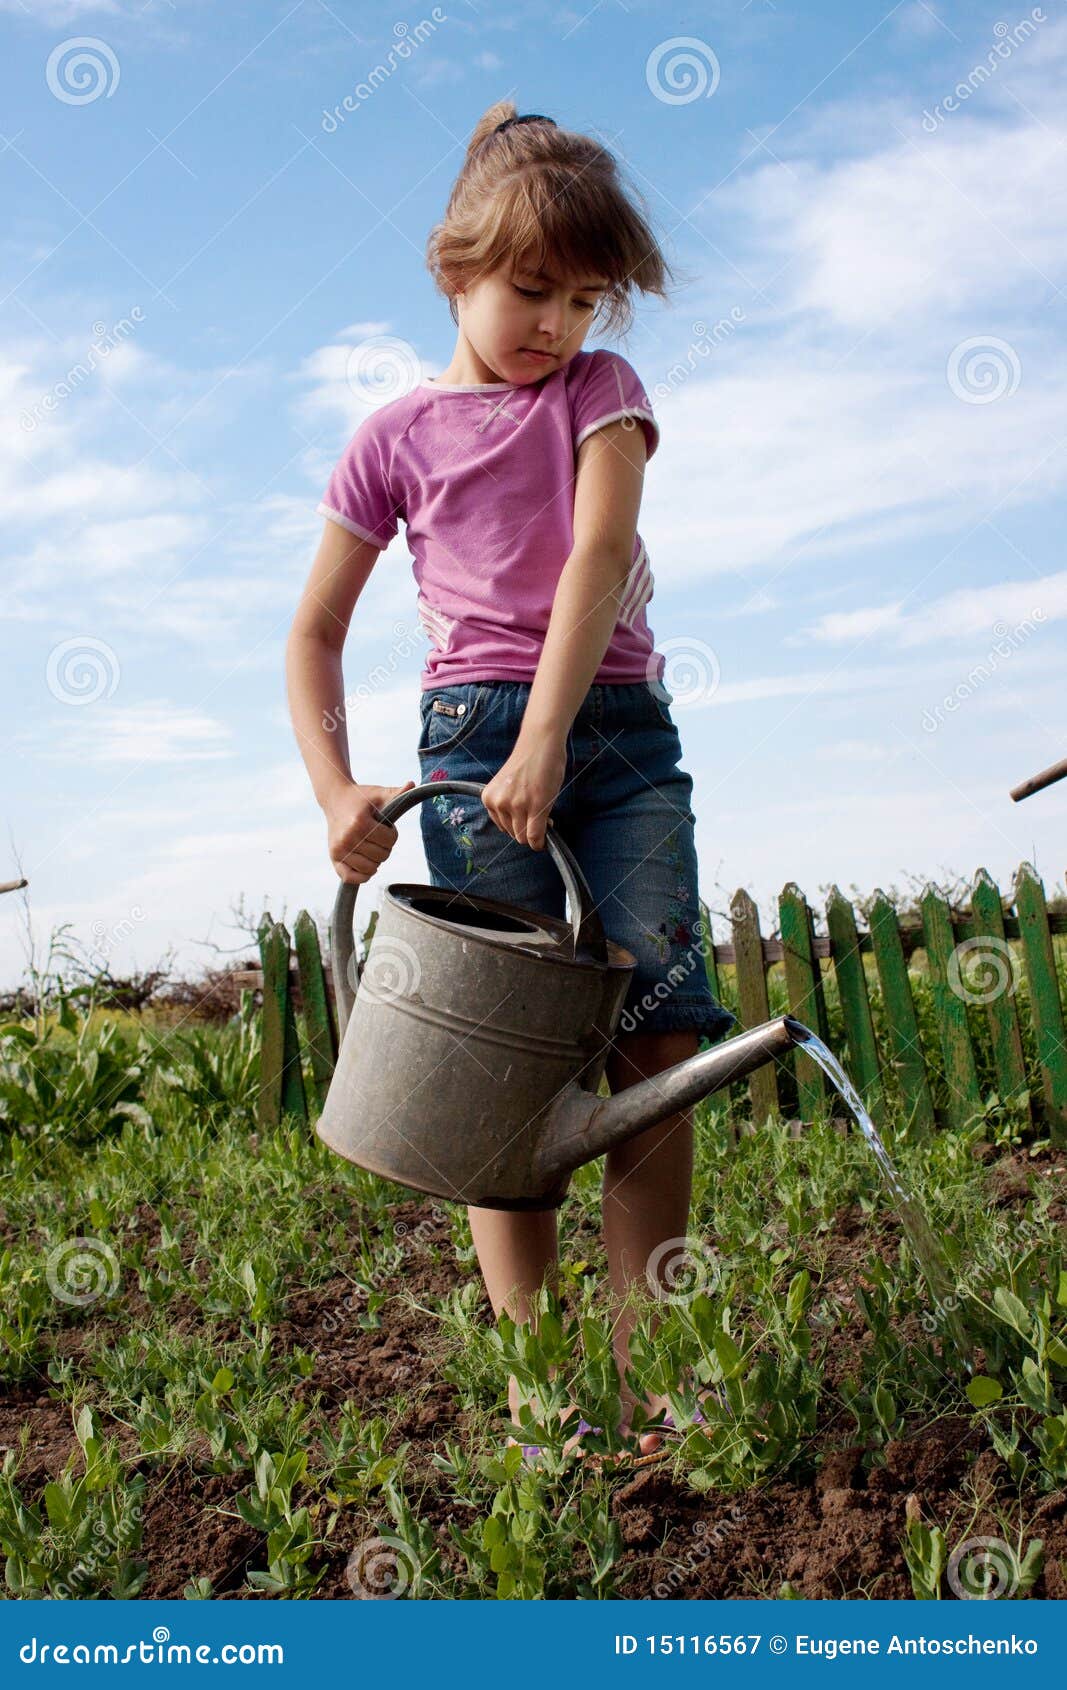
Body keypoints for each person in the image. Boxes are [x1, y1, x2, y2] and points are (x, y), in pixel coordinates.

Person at [286, 100, 737, 1465]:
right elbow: (312, 630)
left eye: (587, 300)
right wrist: (335, 793)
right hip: (469, 748)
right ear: (454, 271)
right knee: (510, 1073)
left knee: (661, 1034)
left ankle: (655, 1370)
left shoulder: (603, 396)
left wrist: (551, 738)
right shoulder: (390, 439)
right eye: (532, 291)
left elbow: (601, 556)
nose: (559, 324)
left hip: (612, 735)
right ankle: (545, 1382)